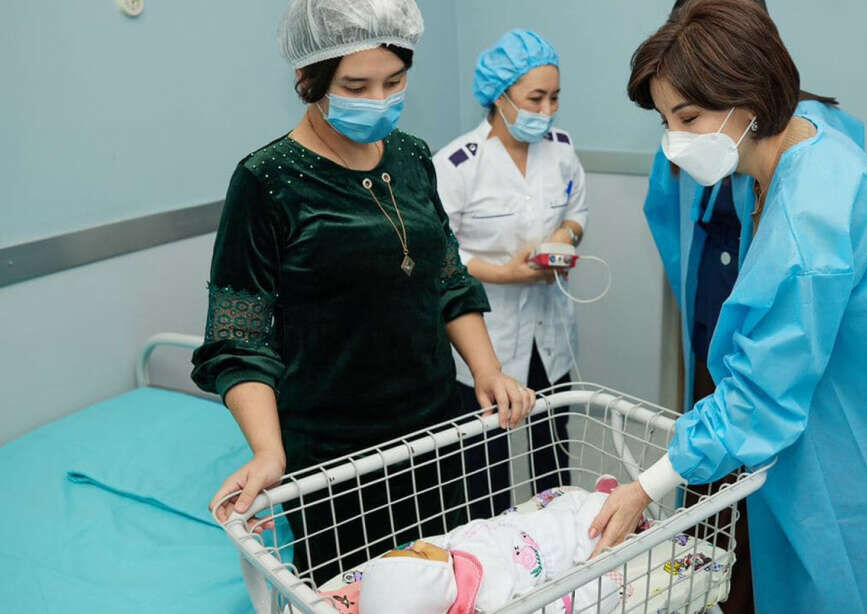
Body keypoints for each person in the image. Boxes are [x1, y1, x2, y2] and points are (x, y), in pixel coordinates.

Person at [588, 1, 867, 612]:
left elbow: (760, 393)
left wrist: (646, 486)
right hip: (866, 412)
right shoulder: (788, 153)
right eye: (665, 122)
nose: (674, 142)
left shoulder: (808, 213)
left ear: (747, 97)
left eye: (688, 118)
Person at [190, 0, 535, 584]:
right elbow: (237, 338)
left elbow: (447, 276)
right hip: (335, 458)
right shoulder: (267, 182)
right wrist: (269, 452)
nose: (379, 100)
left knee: (460, 583)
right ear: (309, 78)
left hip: (437, 428)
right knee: (361, 594)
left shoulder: (412, 157)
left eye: (394, 82)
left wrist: (487, 370)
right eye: (356, 86)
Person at [433, 29, 588, 518]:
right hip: (488, 337)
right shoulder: (456, 165)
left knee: (553, 449)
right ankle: (492, 549)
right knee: (485, 463)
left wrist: (564, 237)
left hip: (549, 332)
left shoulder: (561, 149)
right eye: (534, 98)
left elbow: (577, 213)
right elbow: (438, 252)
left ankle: (557, 533)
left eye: (554, 97)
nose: (547, 110)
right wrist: (502, 273)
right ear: (500, 97)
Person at [320, 478, 625, 614]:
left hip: (527, 526)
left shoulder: (450, 549)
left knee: (567, 503)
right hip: (559, 550)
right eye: (416, 552)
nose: (420, 544)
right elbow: (556, 607)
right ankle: (610, 499)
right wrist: (601, 587)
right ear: (431, 585)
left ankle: (597, 498)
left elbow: (440, 542)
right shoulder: (489, 600)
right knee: (593, 524)